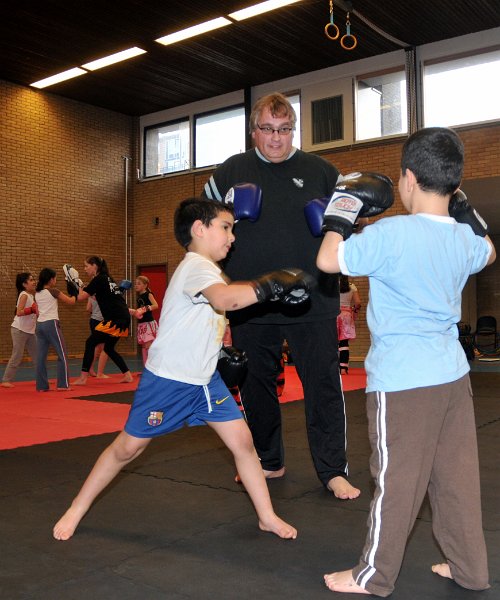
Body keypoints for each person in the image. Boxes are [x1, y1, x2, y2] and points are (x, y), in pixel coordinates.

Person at [52, 197, 312, 542]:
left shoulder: (211, 271)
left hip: (206, 382)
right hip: (169, 380)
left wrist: (219, 349)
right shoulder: (196, 266)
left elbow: (211, 313)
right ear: (199, 229)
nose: (232, 236)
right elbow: (226, 300)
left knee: (243, 443)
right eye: (225, 227)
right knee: (127, 449)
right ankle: (77, 507)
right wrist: (270, 285)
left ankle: (267, 516)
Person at [316, 127, 495, 596]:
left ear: (408, 179)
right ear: (455, 184)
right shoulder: (464, 239)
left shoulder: (391, 233)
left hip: (403, 381)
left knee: (395, 482)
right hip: (453, 376)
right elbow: (490, 249)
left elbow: (328, 261)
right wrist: (465, 211)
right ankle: (470, 569)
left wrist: (342, 208)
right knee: (456, 480)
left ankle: (372, 576)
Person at [203, 92, 359, 499]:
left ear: (294, 130)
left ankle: (333, 470)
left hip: (314, 298)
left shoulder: (323, 172)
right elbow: (200, 228)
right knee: (255, 385)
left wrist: (344, 221)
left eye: (285, 129)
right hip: (251, 299)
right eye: (268, 129)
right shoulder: (230, 171)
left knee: (323, 385)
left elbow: (351, 227)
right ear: (253, 130)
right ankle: (269, 460)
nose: (276, 138)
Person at [68, 257, 133, 385]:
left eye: (86, 266)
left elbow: (80, 297)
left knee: (90, 342)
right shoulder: (107, 278)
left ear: (94, 266)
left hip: (116, 319)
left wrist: (73, 284)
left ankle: (83, 378)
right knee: (108, 348)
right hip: (122, 317)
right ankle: (128, 375)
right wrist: (78, 286)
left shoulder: (99, 279)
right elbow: (102, 297)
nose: (85, 269)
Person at [35, 268, 76, 391]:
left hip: (40, 325)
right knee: (62, 354)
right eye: (55, 278)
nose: (56, 280)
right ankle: (63, 385)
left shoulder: (37, 293)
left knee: (41, 357)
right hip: (51, 324)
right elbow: (71, 302)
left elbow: (38, 312)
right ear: (51, 279)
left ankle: (42, 386)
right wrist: (75, 291)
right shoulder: (53, 291)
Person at [1, 272, 38, 388]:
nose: (34, 282)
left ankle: (42, 377)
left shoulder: (30, 296)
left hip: (30, 331)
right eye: (31, 280)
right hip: (19, 330)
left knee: (38, 355)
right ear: (24, 284)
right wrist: (31, 310)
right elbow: (18, 312)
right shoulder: (24, 295)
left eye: (33, 279)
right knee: (17, 355)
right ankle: (6, 380)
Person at [130, 275, 159, 365]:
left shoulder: (148, 294)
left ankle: (152, 366)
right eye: (135, 284)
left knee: (148, 345)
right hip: (142, 324)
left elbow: (156, 305)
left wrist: (145, 308)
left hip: (148, 323)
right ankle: (146, 366)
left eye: (139, 284)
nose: (136, 285)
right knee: (144, 345)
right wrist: (135, 312)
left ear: (145, 285)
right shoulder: (139, 296)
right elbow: (140, 311)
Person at [337, 275, 361, 374]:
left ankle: (333, 367)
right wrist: (354, 310)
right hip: (346, 315)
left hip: (334, 315)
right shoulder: (352, 286)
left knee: (332, 342)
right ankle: (343, 368)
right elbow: (358, 302)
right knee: (344, 343)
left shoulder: (333, 286)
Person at [86, 295, 109, 378]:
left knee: (97, 346)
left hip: (93, 321)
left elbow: (88, 308)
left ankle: (90, 369)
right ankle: (100, 373)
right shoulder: (105, 294)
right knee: (105, 348)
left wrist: (95, 312)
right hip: (101, 321)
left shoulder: (91, 294)